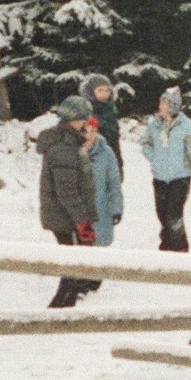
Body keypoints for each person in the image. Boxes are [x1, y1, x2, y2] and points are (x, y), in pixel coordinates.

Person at [38, 97, 103, 306]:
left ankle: (65, 306)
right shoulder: (64, 147)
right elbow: (66, 191)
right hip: (65, 215)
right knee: (73, 266)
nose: (87, 122)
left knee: (74, 266)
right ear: (74, 120)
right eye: (85, 118)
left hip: (69, 214)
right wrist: (82, 221)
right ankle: (59, 308)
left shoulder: (71, 142)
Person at [141, 87, 191, 252]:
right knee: (162, 214)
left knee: (174, 216)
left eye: (164, 103)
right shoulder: (155, 125)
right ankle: (166, 247)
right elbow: (146, 144)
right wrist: (154, 158)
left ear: (172, 106)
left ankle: (180, 249)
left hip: (180, 178)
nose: (160, 106)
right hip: (160, 178)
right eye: (160, 102)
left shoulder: (186, 126)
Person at [86, 113, 127, 247]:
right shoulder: (73, 152)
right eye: (85, 132)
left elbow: (114, 183)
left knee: (100, 248)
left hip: (101, 211)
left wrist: (116, 209)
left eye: (93, 131)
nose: (89, 136)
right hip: (80, 212)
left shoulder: (107, 153)